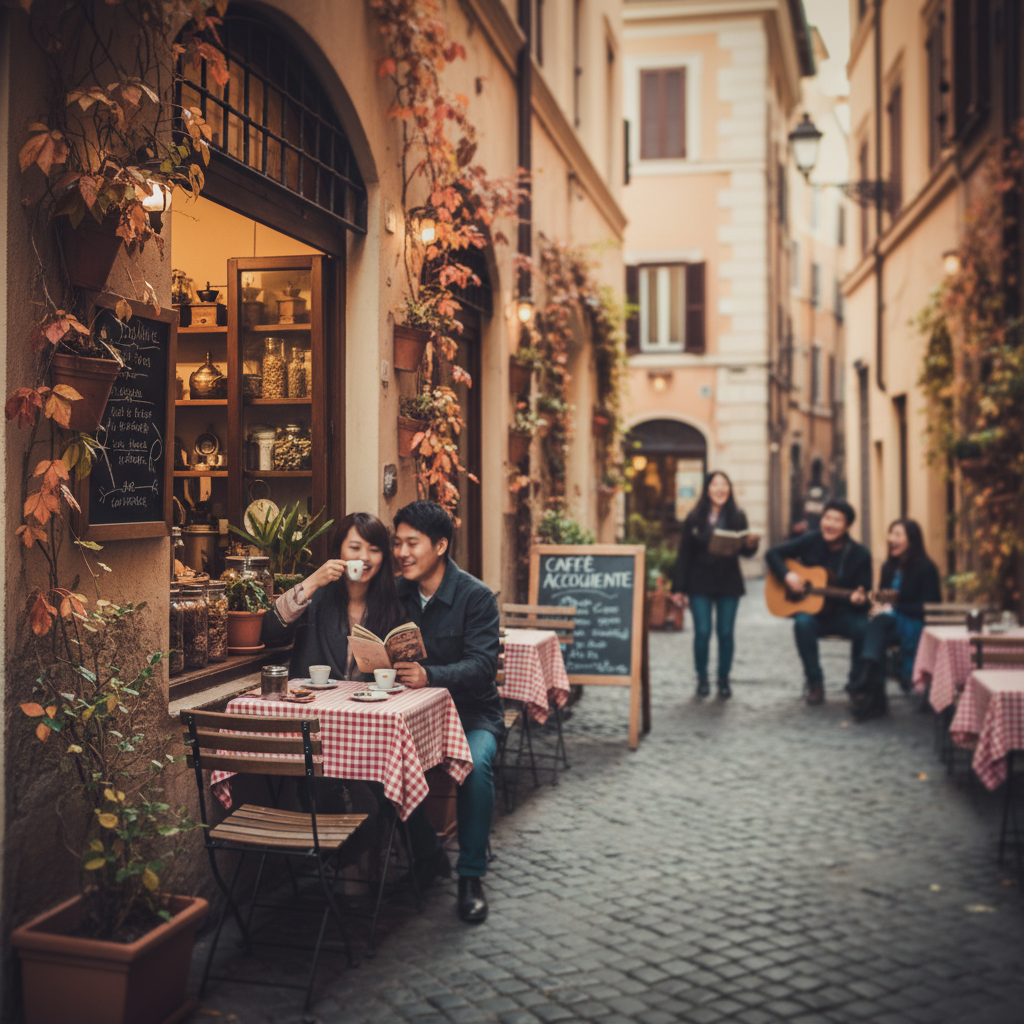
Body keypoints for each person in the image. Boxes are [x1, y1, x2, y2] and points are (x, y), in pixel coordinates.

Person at [391, 500, 502, 924]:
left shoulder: (476, 596)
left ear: (440, 545)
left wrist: (429, 674)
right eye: (397, 542)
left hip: (472, 715)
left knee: (473, 767)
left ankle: (471, 877)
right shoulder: (396, 593)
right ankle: (428, 855)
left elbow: (482, 667)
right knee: (383, 764)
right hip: (411, 717)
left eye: (411, 543)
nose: (402, 552)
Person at [262, 511, 405, 682]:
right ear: (339, 550)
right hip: (313, 703)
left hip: (370, 704)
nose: (364, 557)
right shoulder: (315, 597)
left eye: (374, 550)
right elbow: (269, 633)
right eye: (354, 548)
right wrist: (311, 582)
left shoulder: (394, 603)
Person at [765, 500, 872, 705]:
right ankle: (815, 683)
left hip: (843, 614)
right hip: (815, 614)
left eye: (836, 520)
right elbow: (772, 554)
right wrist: (787, 576)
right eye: (827, 518)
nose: (829, 524)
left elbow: (865, 595)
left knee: (862, 627)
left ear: (847, 526)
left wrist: (859, 599)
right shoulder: (811, 540)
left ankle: (856, 684)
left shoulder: (860, 555)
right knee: (802, 623)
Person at [671, 471, 759, 699]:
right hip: (699, 581)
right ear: (707, 489)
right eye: (715, 484)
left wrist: (750, 544)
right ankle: (702, 678)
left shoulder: (738, 516)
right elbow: (684, 554)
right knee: (702, 632)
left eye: (724, 485)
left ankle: (723, 679)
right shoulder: (694, 517)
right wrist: (678, 588)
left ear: (729, 490)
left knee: (726, 633)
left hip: (728, 582)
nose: (720, 489)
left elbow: (747, 552)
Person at [847, 519, 942, 720]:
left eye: (898, 535)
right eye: (891, 534)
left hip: (914, 622)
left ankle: (870, 690)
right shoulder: (888, 567)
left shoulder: (926, 568)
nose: (892, 539)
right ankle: (871, 682)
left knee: (878, 623)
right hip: (889, 622)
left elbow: (928, 606)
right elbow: (882, 599)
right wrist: (867, 600)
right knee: (874, 623)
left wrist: (893, 607)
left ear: (912, 539)